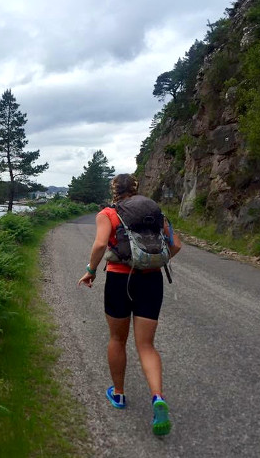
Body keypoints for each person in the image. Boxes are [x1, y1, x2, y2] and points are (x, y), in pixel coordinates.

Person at [77, 173, 181, 436]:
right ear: (137, 190)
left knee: (116, 339)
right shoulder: (155, 212)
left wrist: (91, 270)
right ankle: (157, 397)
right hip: (151, 282)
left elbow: (101, 244)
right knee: (146, 345)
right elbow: (175, 245)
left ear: (113, 190)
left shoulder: (108, 214)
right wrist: (151, 260)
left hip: (119, 280)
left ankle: (119, 394)